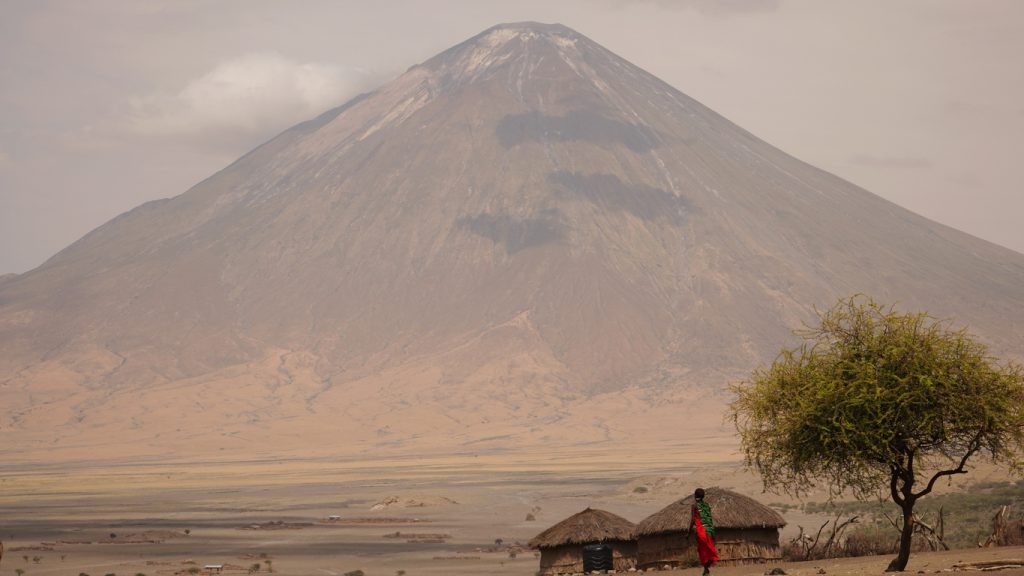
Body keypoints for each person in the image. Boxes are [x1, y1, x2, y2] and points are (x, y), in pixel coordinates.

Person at [688, 488, 719, 576]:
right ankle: (706, 569)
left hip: (701, 531)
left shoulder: (694, 506)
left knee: (702, 550)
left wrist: (688, 533)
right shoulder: (707, 505)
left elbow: (693, 520)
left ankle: (706, 570)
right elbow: (709, 519)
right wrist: (712, 532)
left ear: (695, 496)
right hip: (709, 531)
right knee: (709, 550)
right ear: (703, 496)